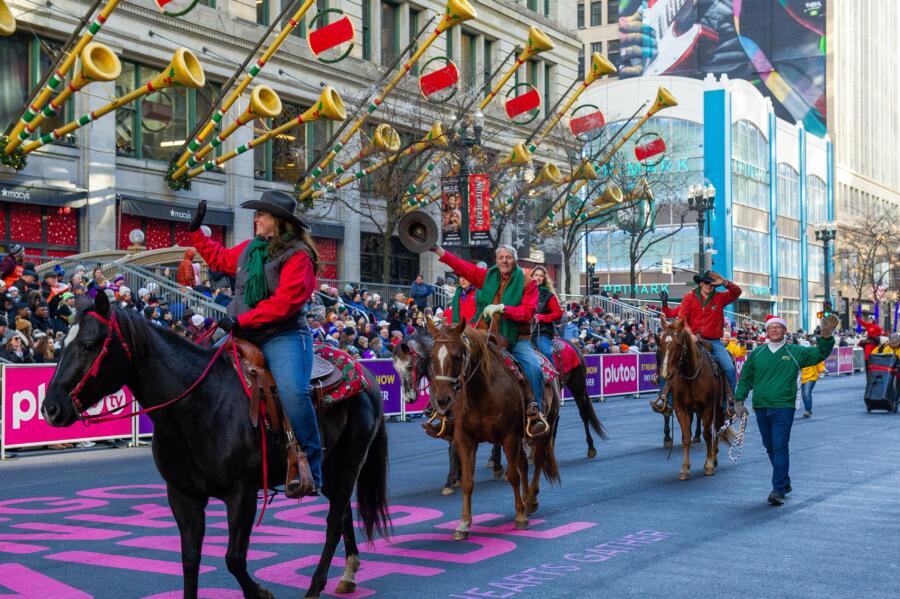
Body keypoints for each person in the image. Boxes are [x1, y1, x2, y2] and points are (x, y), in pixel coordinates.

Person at [189, 191, 323, 498]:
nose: (256, 219)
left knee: (294, 392)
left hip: (284, 334)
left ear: (277, 220)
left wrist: (241, 320)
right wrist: (196, 233)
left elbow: (285, 303)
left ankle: (312, 467)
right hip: (245, 331)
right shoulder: (251, 249)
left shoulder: (299, 255)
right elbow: (219, 259)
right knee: (201, 374)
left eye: (261, 214)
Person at [431, 243, 549, 439]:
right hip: (484, 336)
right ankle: (442, 413)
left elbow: (528, 311)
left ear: (515, 260)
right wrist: (438, 251)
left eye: (508, 257)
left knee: (533, 368)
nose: (504, 261)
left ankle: (534, 413)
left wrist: (504, 309)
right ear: (496, 261)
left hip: (516, 338)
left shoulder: (529, 284)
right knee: (453, 359)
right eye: (501, 257)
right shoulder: (486, 277)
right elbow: (461, 266)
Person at [734, 313, 838, 505]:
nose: (774, 329)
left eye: (778, 327)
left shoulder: (795, 351)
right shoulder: (757, 354)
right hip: (761, 406)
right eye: (771, 327)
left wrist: (825, 336)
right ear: (766, 331)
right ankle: (785, 480)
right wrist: (738, 401)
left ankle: (778, 489)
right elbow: (746, 378)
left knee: (780, 445)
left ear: (785, 331)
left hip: (784, 406)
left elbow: (819, 354)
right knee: (770, 446)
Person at [652, 271, 741, 422]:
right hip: (691, 339)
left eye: (713, 284)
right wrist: (689, 333)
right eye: (707, 283)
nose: (710, 286)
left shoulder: (720, 297)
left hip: (713, 341)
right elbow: (681, 317)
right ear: (701, 283)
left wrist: (725, 282)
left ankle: (730, 403)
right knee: (668, 362)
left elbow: (736, 292)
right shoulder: (689, 297)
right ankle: (666, 401)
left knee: (729, 367)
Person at [531, 266, 563, 362]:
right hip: (524, 332)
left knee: (546, 352)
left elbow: (558, 314)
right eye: (536, 275)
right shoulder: (525, 292)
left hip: (542, 332)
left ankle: (554, 376)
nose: (538, 278)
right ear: (532, 276)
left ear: (544, 279)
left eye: (541, 276)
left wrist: (542, 317)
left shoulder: (549, 295)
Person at [799, 351, 825, 418]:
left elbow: (820, 361)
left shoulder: (814, 356)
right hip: (801, 378)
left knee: (807, 393)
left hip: (811, 377)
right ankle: (808, 410)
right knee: (803, 395)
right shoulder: (799, 356)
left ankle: (808, 411)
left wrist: (822, 370)